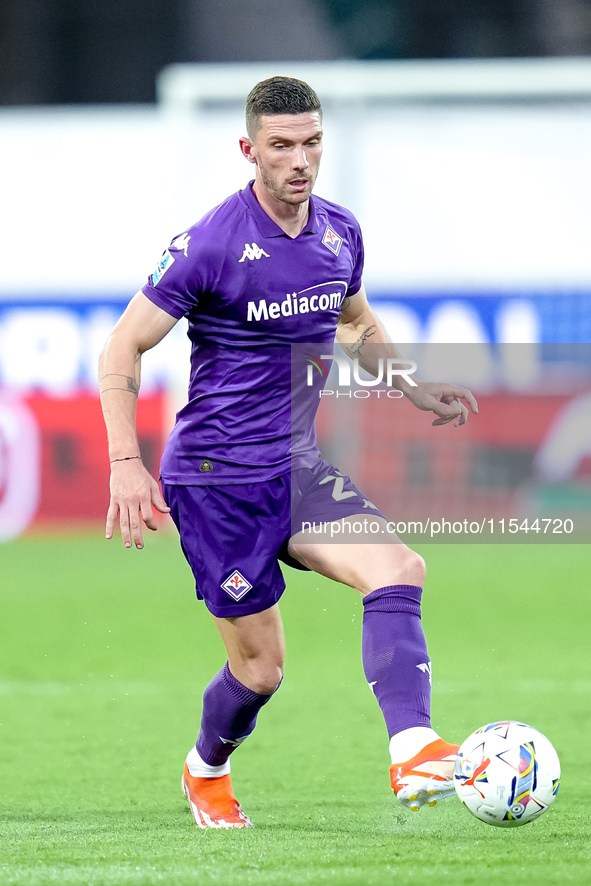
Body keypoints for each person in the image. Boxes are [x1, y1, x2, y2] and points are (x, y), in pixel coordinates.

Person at [99, 76, 478, 830]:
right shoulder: (211, 242)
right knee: (260, 671)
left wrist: (412, 387)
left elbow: (355, 321)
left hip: (296, 467)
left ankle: (413, 749)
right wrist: (123, 461)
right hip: (217, 482)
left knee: (398, 569)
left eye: (310, 143)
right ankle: (205, 768)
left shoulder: (339, 232)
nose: (299, 160)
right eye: (281, 145)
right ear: (249, 150)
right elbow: (123, 344)